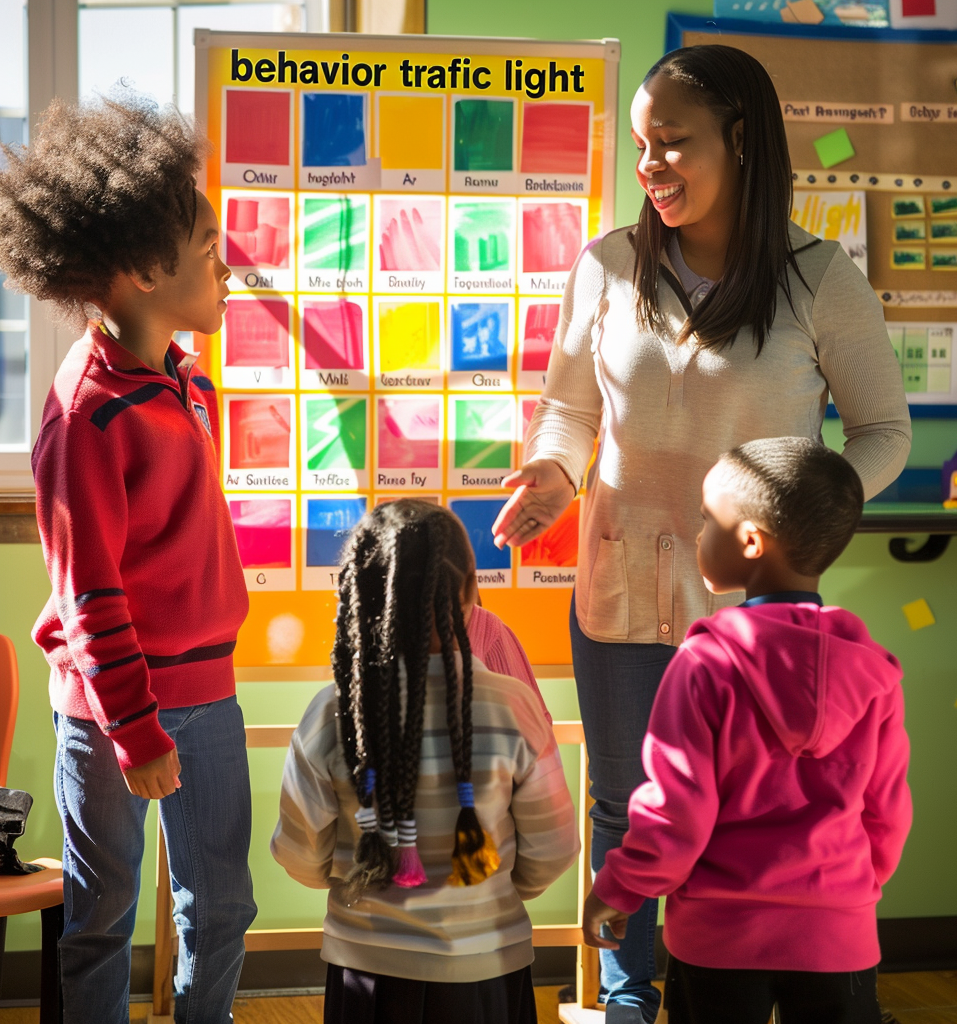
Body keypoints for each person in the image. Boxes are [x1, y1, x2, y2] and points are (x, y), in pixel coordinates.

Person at [492, 44, 912, 1023]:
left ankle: (735, 984)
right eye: (641, 146)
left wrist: (809, 502)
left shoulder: (821, 281)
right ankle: (632, 1002)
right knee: (623, 804)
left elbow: (883, 432)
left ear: (741, 140)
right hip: (618, 593)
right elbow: (566, 411)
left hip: (756, 614)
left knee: (750, 817)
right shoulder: (604, 265)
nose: (651, 167)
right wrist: (553, 472)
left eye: (673, 143)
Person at [0, 96, 255, 1022]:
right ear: (146, 271)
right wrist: (135, 728)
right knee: (103, 916)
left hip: (208, 696)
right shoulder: (83, 414)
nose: (228, 269)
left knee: (223, 908)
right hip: (115, 714)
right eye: (209, 252)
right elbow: (88, 591)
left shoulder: (187, 379)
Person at [581, 437, 913, 1024]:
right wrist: (848, 892)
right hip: (840, 936)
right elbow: (887, 812)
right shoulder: (875, 672)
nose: (699, 532)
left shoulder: (704, 664)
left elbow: (675, 812)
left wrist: (620, 885)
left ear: (751, 541)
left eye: (707, 519)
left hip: (719, 940)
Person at [271, 499, 579, 1024]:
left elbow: (300, 855)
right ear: (470, 591)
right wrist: (494, 888)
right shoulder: (513, 707)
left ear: (359, 596)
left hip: (365, 972)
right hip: (487, 967)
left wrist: (356, 881)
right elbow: (554, 848)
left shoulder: (331, 713)